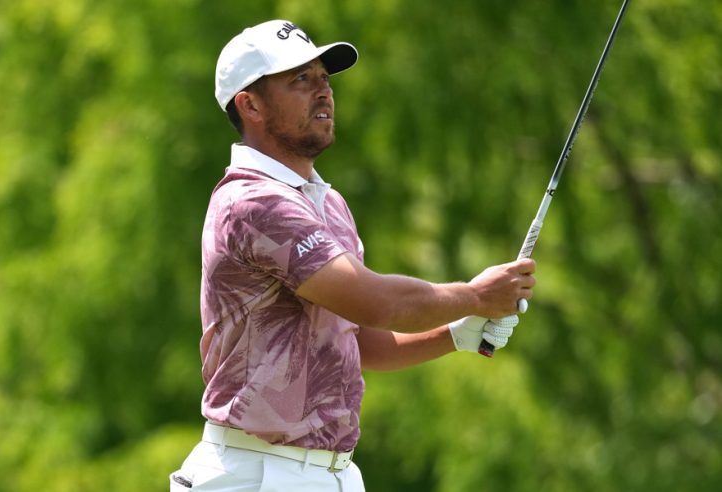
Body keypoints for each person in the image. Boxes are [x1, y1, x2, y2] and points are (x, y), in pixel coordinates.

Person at [170, 19, 536, 492]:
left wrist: (457, 334)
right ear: (250, 104)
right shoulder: (252, 202)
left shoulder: (327, 203)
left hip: (331, 474)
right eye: (299, 79)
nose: (323, 90)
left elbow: (362, 342)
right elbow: (377, 303)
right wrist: (475, 296)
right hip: (255, 473)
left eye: (323, 77)